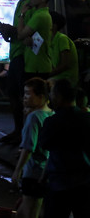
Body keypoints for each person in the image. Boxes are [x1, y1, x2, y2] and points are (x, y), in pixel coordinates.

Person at [0, 0, 37, 143]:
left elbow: (26, 33)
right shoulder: (21, 3)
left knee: (20, 94)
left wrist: (10, 30)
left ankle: (24, 133)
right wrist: (7, 31)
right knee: (13, 93)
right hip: (15, 53)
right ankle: (18, 130)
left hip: (23, 55)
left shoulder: (31, 6)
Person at [39, 78, 90, 218]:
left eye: (52, 94)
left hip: (59, 183)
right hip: (84, 183)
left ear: (58, 96)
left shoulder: (52, 122)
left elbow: (44, 145)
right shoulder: (87, 118)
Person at [11, 77, 51, 218]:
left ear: (40, 96)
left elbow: (28, 147)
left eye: (28, 93)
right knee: (34, 207)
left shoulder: (34, 117)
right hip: (47, 170)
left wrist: (17, 170)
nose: (25, 97)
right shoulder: (51, 114)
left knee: (29, 210)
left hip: (33, 171)